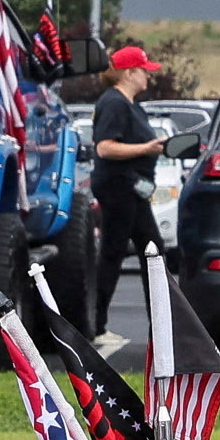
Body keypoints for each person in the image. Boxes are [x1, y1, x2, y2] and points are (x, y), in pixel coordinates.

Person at [81, 46, 166, 327]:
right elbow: (105, 148)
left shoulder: (131, 104)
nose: (148, 76)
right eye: (144, 70)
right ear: (129, 72)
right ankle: (95, 318)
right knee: (115, 252)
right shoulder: (114, 103)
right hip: (119, 187)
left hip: (133, 189)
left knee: (151, 249)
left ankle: (162, 318)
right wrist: (147, 148)